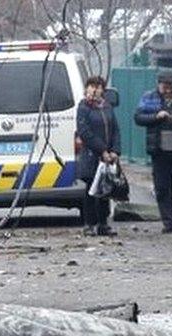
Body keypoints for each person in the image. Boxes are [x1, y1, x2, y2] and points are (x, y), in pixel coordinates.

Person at [134, 70, 172, 233]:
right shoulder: (149, 98)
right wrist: (156, 116)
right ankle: (168, 223)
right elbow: (138, 117)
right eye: (165, 87)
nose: (168, 90)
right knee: (162, 188)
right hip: (159, 150)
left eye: (171, 87)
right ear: (158, 85)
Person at [76, 75, 121, 237]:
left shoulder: (107, 107)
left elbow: (115, 129)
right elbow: (85, 132)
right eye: (92, 86)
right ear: (86, 88)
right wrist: (102, 150)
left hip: (108, 156)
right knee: (91, 190)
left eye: (99, 86)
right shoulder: (83, 108)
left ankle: (103, 223)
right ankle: (89, 223)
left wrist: (115, 150)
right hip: (91, 155)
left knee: (105, 190)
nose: (95, 90)